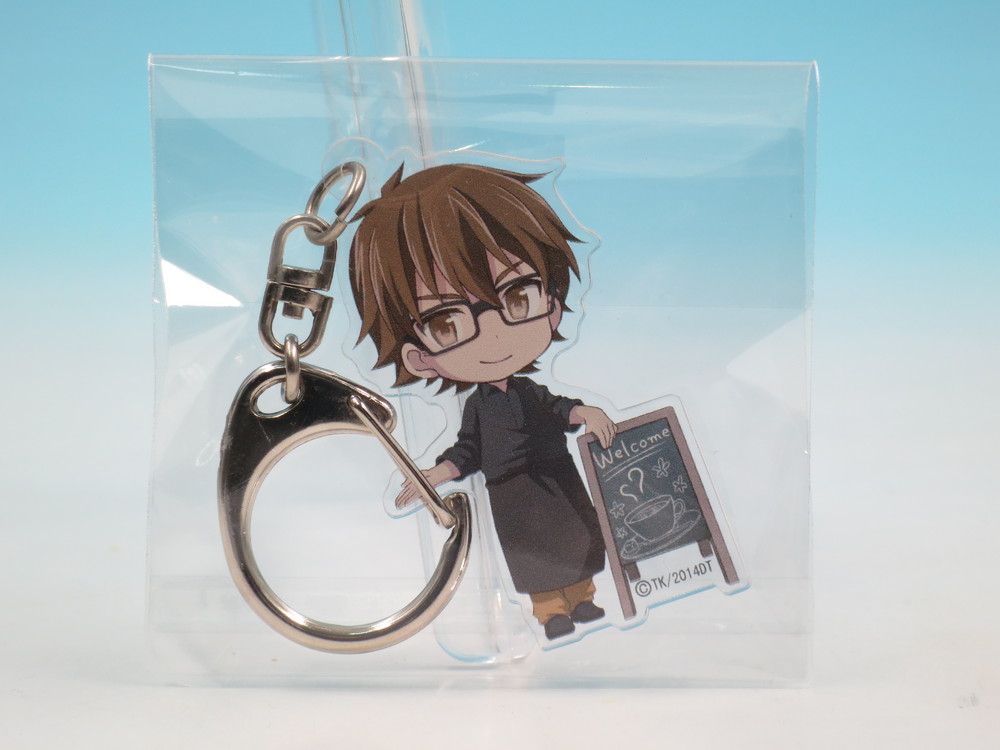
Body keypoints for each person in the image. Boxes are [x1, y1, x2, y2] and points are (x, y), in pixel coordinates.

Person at [349, 162, 616, 640]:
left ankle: (583, 597)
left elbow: (559, 409)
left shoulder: (531, 392)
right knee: (532, 554)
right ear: (420, 357)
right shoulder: (477, 407)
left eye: (517, 297)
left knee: (576, 536)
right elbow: (468, 449)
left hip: (557, 478)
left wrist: (587, 412)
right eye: (448, 323)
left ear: (552, 306)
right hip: (511, 493)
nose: (493, 333)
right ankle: (550, 611)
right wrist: (438, 473)